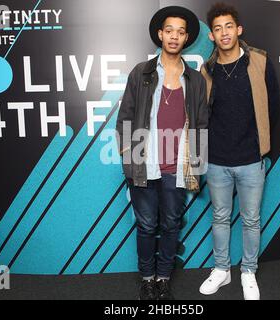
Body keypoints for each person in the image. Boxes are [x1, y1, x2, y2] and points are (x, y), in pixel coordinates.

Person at [116, 6, 209, 300]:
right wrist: (129, 157)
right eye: (169, 30)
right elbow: (125, 118)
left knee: (170, 225)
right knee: (146, 226)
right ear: (160, 34)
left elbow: (201, 124)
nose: (174, 36)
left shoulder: (195, 80)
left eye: (180, 32)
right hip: (145, 165)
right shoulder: (140, 73)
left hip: (177, 168)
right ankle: (147, 278)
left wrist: (196, 163)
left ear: (186, 39)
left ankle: (163, 277)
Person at [199, 3, 280, 300]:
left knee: (251, 219)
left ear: (238, 29)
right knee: (220, 217)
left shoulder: (258, 61)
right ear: (211, 35)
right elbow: (200, 115)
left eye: (229, 26)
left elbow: (274, 106)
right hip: (217, 161)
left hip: (251, 160)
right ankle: (222, 269)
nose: (224, 33)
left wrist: (261, 144)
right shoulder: (206, 70)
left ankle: (248, 271)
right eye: (218, 28)